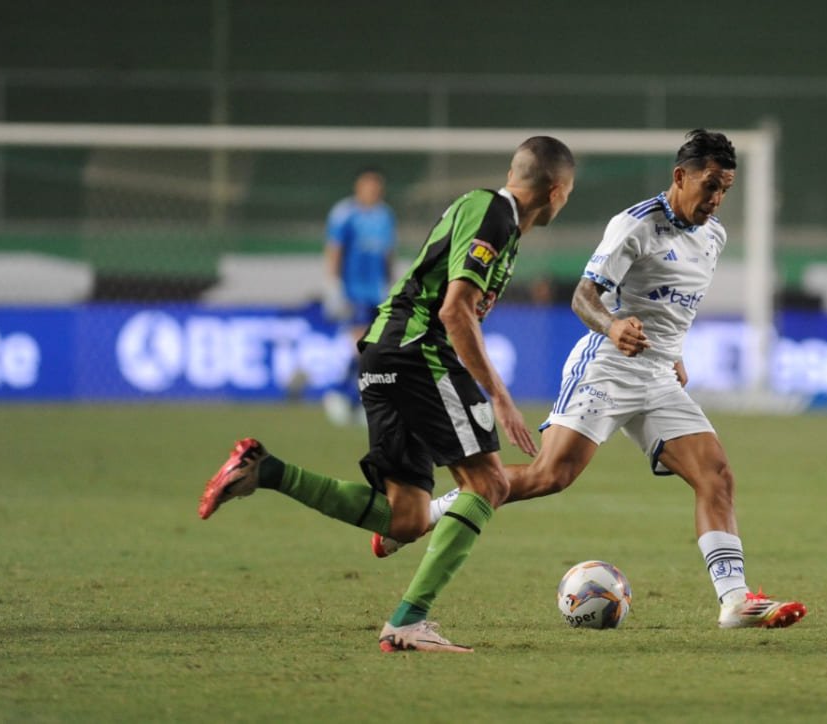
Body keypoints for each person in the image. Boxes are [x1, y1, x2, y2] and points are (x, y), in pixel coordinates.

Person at [374, 130, 807, 630]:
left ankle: (735, 601)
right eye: (709, 185)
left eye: (725, 189)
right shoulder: (634, 226)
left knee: (717, 475)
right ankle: (429, 513)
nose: (715, 200)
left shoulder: (714, 236)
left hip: (658, 375)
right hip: (607, 365)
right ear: (680, 176)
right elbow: (583, 296)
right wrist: (613, 325)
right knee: (549, 476)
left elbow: (672, 306)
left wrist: (675, 353)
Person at [198, 136, 577, 652]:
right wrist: (501, 398)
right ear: (557, 190)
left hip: (385, 352)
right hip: (418, 350)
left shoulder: (488, 214)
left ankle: (264, 470)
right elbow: (454, 310)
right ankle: (408, 621)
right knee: (488, 484)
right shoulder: (494, 214)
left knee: (408, 518)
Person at [322, 166, 396, 426]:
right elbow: (335, 250)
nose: (373, 191)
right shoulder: (345, 214)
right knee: (364, 347)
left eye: (377, 186)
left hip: (377, 292)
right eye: (369, 185)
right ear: (358, 187)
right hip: (353, 291)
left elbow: (387, 253)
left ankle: (352, 399)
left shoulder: (385, 215)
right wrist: (333, 284)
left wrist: (391, 285)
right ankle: (345, 396)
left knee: (374, 348)